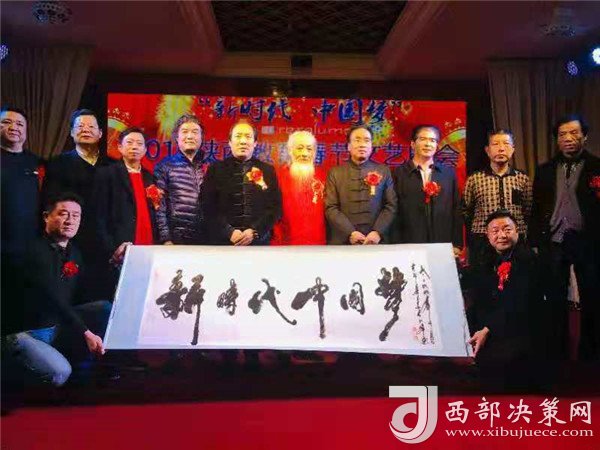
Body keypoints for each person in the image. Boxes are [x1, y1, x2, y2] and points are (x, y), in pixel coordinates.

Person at [1, 193, 112, 387]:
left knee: (104, 308)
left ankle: (82, 369)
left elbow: (84, 292)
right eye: (63, 214)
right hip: (29, 332)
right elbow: (54, 298)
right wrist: (85, 332)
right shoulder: (34, 251)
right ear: (46, 217)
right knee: (59, 373)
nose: (70, 220)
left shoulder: (74, 252)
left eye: (76, 215)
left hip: (56, 327)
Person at [530, 114, 600, 360]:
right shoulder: (544, 170)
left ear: (584, 136)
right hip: (554, 240)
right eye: (563, 134)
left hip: (588, 241)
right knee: (554, 298)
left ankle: (590, 353)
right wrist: (535, 242)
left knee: (592, 296)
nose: (568, 138)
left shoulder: (597, 167)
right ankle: (557, 351)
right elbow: (536, 209)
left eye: (574, 133)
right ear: (557, 140)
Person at [467, 210, 544, 389]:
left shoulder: (528, 260)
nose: (502, 235)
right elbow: (480, 296)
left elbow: (519, 303)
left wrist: (487, 329)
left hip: (521, 326)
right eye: (495, 231)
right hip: (496, 321)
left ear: (517, 232)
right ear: (487, 235)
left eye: (507, 230)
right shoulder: (486, 258)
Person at [43, 109, 114, 299]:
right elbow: (50, 201)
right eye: (80, 126)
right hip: (72, 239)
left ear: (100, 133)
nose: (86, 130)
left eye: (91, 126)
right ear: (71, 133)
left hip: (108, 241)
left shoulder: (113, 165)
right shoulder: (59, 163)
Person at [92, 127, 157, 290]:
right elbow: (98, 216)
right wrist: (111, 249)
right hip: (120, 248)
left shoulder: (150, 177)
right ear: (120, 147)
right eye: (129, 142)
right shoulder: (106, 174)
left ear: (145, 150)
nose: (134, 147)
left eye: (139, 144)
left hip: (149, 247)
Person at [202, 120, 281, 246]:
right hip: (223, 243)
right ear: (230, 142)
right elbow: (207, 207)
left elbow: (275, 208)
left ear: (255, 143)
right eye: (238, 136)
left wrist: (255, 231)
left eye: (248, 137)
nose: (243, 141)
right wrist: (229, 232)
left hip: (258, 243)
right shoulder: (215, 169)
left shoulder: (267, 171)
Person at [1, 107, 43, 332]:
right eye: (6, 122)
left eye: (19, 124)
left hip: (30, 247)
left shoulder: (36, 163)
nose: (13, 127)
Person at [463, 129, 532, 261]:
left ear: (513, 149)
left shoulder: (522, 178)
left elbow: (527, 210)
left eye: (506, 144)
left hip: (514, 241)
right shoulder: (475, 179)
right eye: (495, 144)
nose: (501, 148)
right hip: (482, 241)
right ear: (487, 150)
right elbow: (466, 211)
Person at [393, 124, 462, 252]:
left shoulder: (447, 173)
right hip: (409, 242)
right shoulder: (399, 173)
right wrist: (396, 244)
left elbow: (456, 209)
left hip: (442, 240)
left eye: (432, 140)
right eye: (423, 139)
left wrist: (457, 243)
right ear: (413, 144)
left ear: (437, 145)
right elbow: (394, 211)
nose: (428, 144)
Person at [325, 125, 397, 245]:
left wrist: (377, 232)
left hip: (376, 241)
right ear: (348, 146)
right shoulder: (335, 172)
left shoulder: (383, 171)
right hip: (344, 241)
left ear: (371, 146)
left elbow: (391, 205)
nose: (362, 144)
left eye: (366, 140)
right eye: (357, 140)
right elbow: (331, 207)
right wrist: (350, 233)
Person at [154, 114, 206, 245]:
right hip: (176, 240)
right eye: (185, 132)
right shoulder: (165, 166)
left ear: (201, 138)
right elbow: (159, 206)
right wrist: (165, 238)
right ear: (177, 137)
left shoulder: (209, 167)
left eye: (195, 132)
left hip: (205, 240)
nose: (190, 136)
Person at [272, 130, 326, 245]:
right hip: (286, 243)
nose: (304, 154)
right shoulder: (278, 177)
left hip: (318, 243)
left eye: (309, 149)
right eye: (299, 148)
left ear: (315, 152)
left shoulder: (324, 177)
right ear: (290, 150)